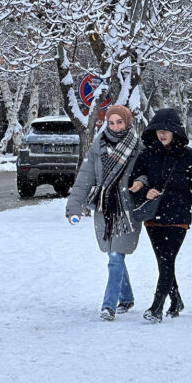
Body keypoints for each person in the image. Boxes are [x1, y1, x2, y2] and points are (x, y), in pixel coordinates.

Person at [128, 108, 192, 323]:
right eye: (158, 130)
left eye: (167, 130)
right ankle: (176, 300)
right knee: (164, 263)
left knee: (167, 260)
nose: (162, 134)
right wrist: (146, 191)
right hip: (153, 216)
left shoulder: (189, 156)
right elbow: (134, 183)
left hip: (178, 216)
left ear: (175, 131)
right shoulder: (146, 154)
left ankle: (156, 307)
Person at [65, 105, 142, 321]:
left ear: (128, 122)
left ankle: (109, 306)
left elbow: (147, 173)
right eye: (111, 122)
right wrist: (74, 207)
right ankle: (126, 297)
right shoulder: (98, 146)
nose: (116, 126)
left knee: (116, 256)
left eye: (120, 122)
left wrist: (141, 182)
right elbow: (84, 178)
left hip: (127, 210)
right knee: (113, 254)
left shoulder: (138, 147)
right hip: (103, 208)